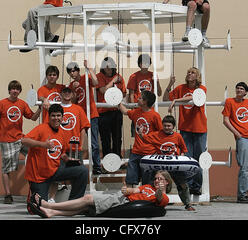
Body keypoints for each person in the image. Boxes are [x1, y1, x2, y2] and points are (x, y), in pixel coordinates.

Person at [28, 170, 171, 218]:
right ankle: (51, 212)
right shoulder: (147, 186)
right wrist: (127, 190)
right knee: (84, 208)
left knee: (88, 198)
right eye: (156, 178)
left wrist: (159, 190)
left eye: (161, 179)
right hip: (121, 197)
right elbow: (135, 190)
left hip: (123, 203)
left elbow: (159, 199)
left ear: (167, 182)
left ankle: (47, 204)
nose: (157, 180)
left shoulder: (164, 197)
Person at [0, 80, 41, 204]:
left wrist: (40, 108)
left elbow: (33, 118)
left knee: (37, 153)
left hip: (20, 139)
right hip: (6, 141)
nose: (15, 91)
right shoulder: (2, 103)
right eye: (13, 89)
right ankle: (8, 195)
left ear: (20, 91)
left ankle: (37, 191)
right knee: (6, 169)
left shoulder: (22, 104)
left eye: (17, 89)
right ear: (9, 90)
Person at [21, 104, 88, 203]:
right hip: (39, 176)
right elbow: (24, 141)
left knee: (82, 171)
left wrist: (67, 159)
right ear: (49, 116)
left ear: (62, 117)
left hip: (55, 171)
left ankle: (73, 204)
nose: (56, 118)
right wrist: (43, 144)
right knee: (39, 207)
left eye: (58, 115)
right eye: (53, 115)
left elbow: (60, 152)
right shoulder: (41, 128)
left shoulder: (62, 132)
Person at [163, 67, 207, 195]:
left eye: (192, 72)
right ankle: (188, 186)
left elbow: (192, 98)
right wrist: (170, 85)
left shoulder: (201, 89)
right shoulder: (181, 88)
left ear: (197, 76)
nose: (189, 73)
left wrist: (176, 100)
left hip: (199, 129)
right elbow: (166, 99)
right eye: (188, 72)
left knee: (198, 159)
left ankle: (196, 187)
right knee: (187, 160)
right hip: (185, 129)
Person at [138, 115, 196, 211]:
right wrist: (140, 133)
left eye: (169, 126)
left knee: (183, 184)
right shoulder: (157, 135)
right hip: (161, 165)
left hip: (175, 165)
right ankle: (148, 202)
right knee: (153, 182)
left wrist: (180, 159)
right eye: (165, 126)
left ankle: (188, 204)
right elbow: (145, 139)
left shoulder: (178, 136)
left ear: (173, 126)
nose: (166, 128)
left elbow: (184, 149)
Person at [222, 82, 248, 203]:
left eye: (242, 89)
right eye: (237, 88)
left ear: (245, 92)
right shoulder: (230, 102)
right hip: (243, 139)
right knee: (245, 168)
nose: (239, 90)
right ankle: (242, 195)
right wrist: (237, 134)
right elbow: (225, 120)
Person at [119, 90, 162, 187]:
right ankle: (130, 198)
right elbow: (125, 111)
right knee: (130, 179)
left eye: (140, 98)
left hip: (149, 153)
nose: (137, 99)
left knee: (147, 182)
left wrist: (157, 151)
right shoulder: (136, 112)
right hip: (136, 152)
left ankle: (146, 199)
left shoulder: (155, 116)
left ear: (145, 102)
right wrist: (118, 101)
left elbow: (161, 134)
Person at [67, 60, 102, 174]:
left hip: (91, 114)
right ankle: (78, 166)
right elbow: (72, 102)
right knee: (77, 142)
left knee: (94, 143)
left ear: (78, 70)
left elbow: (96, 83)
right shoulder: (71, 85)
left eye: (74, 71)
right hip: (80, 117)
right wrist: (73, 91)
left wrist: (89, 68)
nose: (72, 74)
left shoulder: (85, 77)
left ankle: (97, 166)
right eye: (70, 72)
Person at [96, 57, 126, 158]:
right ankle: (107, 161)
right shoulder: (99, 76)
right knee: (105, 138)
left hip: (116, 111)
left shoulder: (119, 77)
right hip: (103, 111)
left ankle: (118, 159)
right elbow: (102, 90)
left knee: (117, 137)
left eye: (110, 67)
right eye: (106, 67)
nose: (108, 69)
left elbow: (124, 93)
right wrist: (113, 81)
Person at [127, 53, 162, 136]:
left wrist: (156, 82)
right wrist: (133, 110)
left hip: (150, 109)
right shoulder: (134, 76)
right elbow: (131, 94)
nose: (145, 64)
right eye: (143, 62)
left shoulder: (153, 75)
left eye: (147, 62)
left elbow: (159, 93)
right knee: (138, 133)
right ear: (139, 64)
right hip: (138, 108)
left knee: (151, 133)